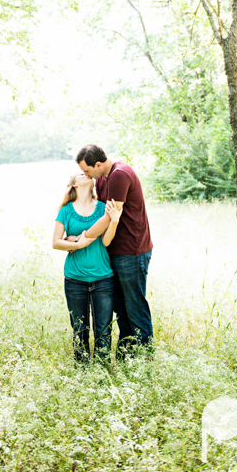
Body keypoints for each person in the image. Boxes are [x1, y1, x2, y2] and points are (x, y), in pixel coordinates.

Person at [77, 144, 153, 354]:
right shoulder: (102, 177)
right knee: (120, 307)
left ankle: (145, 355)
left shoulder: (120, 174)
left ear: (98, 164)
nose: (86, 175)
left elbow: (109, 216)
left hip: (132, 250)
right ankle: (127, 353)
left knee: (135, 306)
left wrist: (84, 238)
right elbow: (99, 209)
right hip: (113, 250)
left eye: (87, 171)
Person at [52, 172, 121, 363]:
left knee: (103, 330)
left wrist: (114, 221)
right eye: (81, 173)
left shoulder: (101, 208)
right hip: (75, 278)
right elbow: (56, 243)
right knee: (79, 330)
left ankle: (101, 371)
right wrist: (77, 245)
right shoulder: (65, 210)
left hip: (103, 278)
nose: (86, 174)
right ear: (74, 184)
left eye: (88, 173)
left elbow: (106, 241)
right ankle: (82, 372)